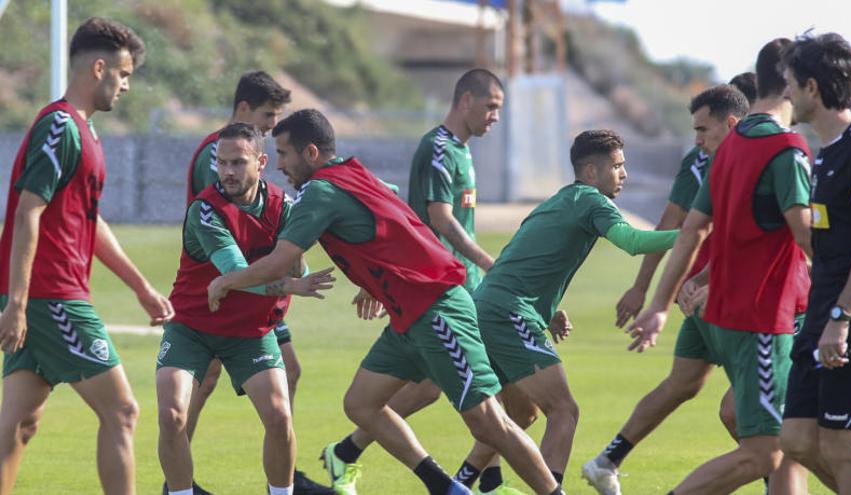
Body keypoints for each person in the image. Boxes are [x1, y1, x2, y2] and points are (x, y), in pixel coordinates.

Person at [208, 109, 566, 495]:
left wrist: (226, 281)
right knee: (361, 403)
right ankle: (445, 487)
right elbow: (389, 203)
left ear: (310, 152)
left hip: (436, 310)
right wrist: (374, 276)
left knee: (489, 423)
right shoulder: (353, 172)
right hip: (408, 317)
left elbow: (279, 264)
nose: (279, 165)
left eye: (283, 154)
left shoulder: (320, 190)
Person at [320, 68, 533, 495]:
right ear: (465, 100)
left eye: (499, 109)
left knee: (444, 390)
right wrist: (489, 262)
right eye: (490, 106)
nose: (495, 116)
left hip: (457, 289)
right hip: (436, 289)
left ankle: (348, 453)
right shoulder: (437, 149)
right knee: (498, 398)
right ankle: (477, 482)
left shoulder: (461, 150)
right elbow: (438, 218)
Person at [624, 38, 814, 494]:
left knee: (792, 446)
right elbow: (808, 236)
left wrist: (661, 304)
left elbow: (693, 231)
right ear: (791, 82)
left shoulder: (727, 147)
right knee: (766, 451)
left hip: (728, 314)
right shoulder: (787, 149)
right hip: (766, 318)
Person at [445, 128, 676, 495]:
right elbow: (633, 242)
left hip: (489, 307)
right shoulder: (592, 201)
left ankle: (459, 486)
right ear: (590, 171)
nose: (624, 174)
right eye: (617, 166)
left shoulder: (558, 200)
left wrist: (547, 309)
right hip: (508, 313)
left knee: (520, 415)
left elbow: (522, 256)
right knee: (564, 410)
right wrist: (698, 234)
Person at [0, 18, 172, 495]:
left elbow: (88, 223)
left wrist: (141, 287)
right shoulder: (60, 127)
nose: (127, 85)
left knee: (17, 428)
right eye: (124, 73)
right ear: (99, 68)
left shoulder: (84, 132)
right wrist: (17, 302)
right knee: (122, 411)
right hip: (53, 297)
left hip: (43, 299)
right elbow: (26, 213)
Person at [583, 84, 749, 495]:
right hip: (717, 296)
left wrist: (657, 291)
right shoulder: (704, 160)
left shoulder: (747, 159)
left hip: (722, 293)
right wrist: (651, 290)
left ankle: (607, 460)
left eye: (702, 130)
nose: (697, 140)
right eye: (696, 130)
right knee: (740, 413)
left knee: (698, 392)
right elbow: (677, 226)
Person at [157, 122, 335, 495]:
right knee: (173, 414)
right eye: (222, 163)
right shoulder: (205, 210)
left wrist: (298, 251)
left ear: (262, 162)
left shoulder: (283, 206)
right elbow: (237, 275)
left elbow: (296, 263)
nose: (227, 172)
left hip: (250, 332)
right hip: (192, 326)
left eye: (238, 162)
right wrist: (290, 285)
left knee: (279, 416)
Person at [779, 32, 851, 495]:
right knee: (797, 438)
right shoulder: (825, 155)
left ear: (813, 89)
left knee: (841, 446)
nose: (787, 95)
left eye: (791, 85)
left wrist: (841, 318)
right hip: (822, 313)